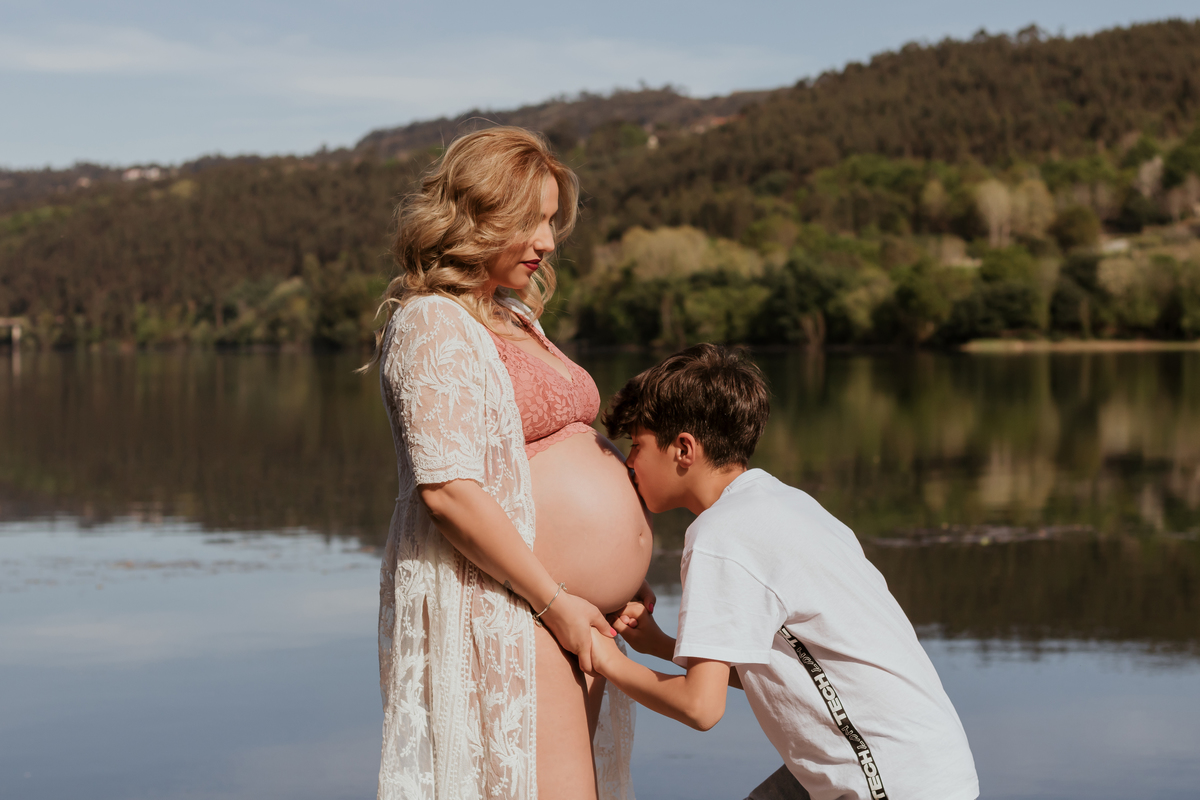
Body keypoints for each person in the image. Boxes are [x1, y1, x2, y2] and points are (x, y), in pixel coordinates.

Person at [366, 127, 652, 800]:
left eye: (552, 221)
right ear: (476, 216)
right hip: (516, 612)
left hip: (569, 615)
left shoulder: (514, 316)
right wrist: (555, 601)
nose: (548, 242)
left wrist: (618, 582)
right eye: (532, 221)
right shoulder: (431, 323)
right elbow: (450, 492)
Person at [590, 344, 980, 800]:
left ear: (683, 449)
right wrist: (659, 645)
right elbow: (780, 669)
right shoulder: (785, 504)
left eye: (636, 446)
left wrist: (605, 658)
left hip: (887, 779)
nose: (629, 464)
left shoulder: (721, 535)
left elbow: (700, 708)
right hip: (921, 759)